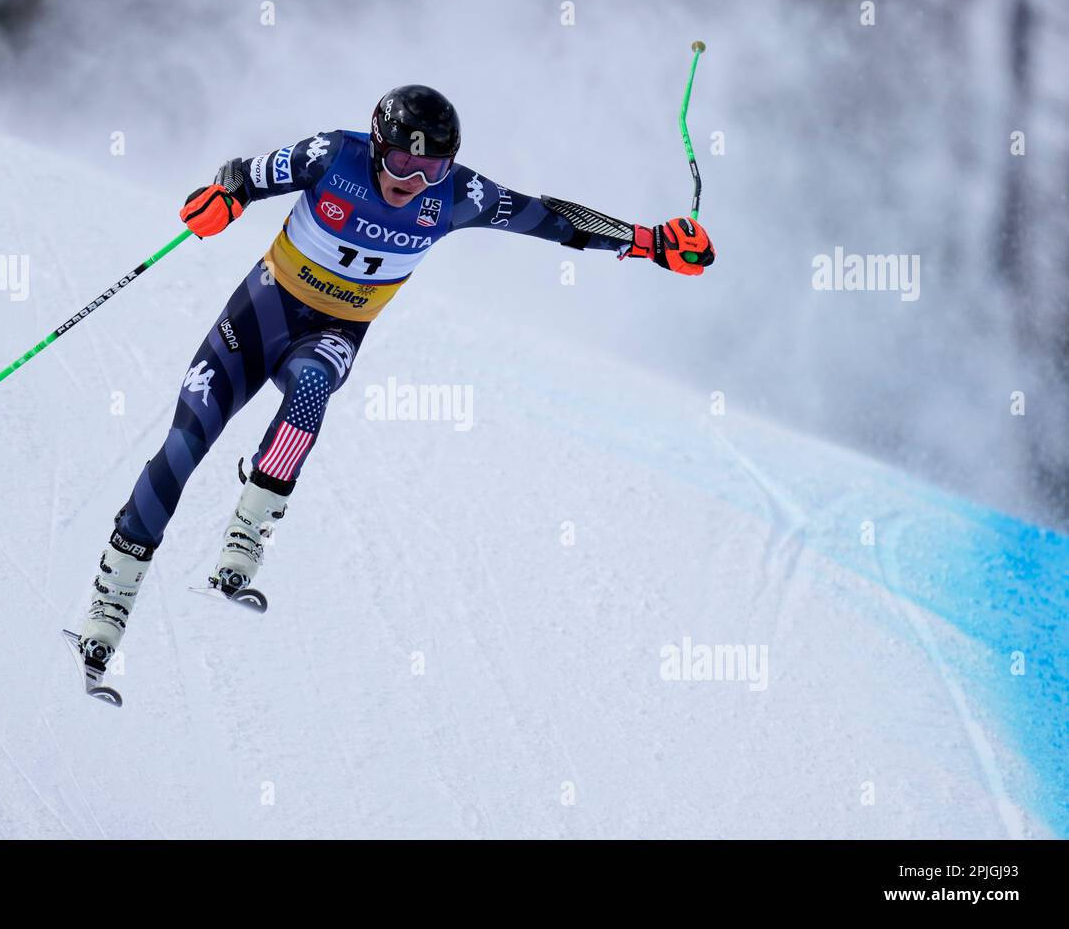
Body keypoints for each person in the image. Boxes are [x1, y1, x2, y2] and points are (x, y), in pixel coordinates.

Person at [75, 84, 715, 685]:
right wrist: (224, 198)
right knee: (186, 444)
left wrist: (648, 242)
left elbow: (547, 218)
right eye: (403, 163)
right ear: (378, 145)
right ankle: (113, 596)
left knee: (310, 393)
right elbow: (242, 175)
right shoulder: (333, 155)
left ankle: (248, 531)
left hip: (331, 336)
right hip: (257, 319)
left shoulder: (457, 196)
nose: (414, 181)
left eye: (431, 169)